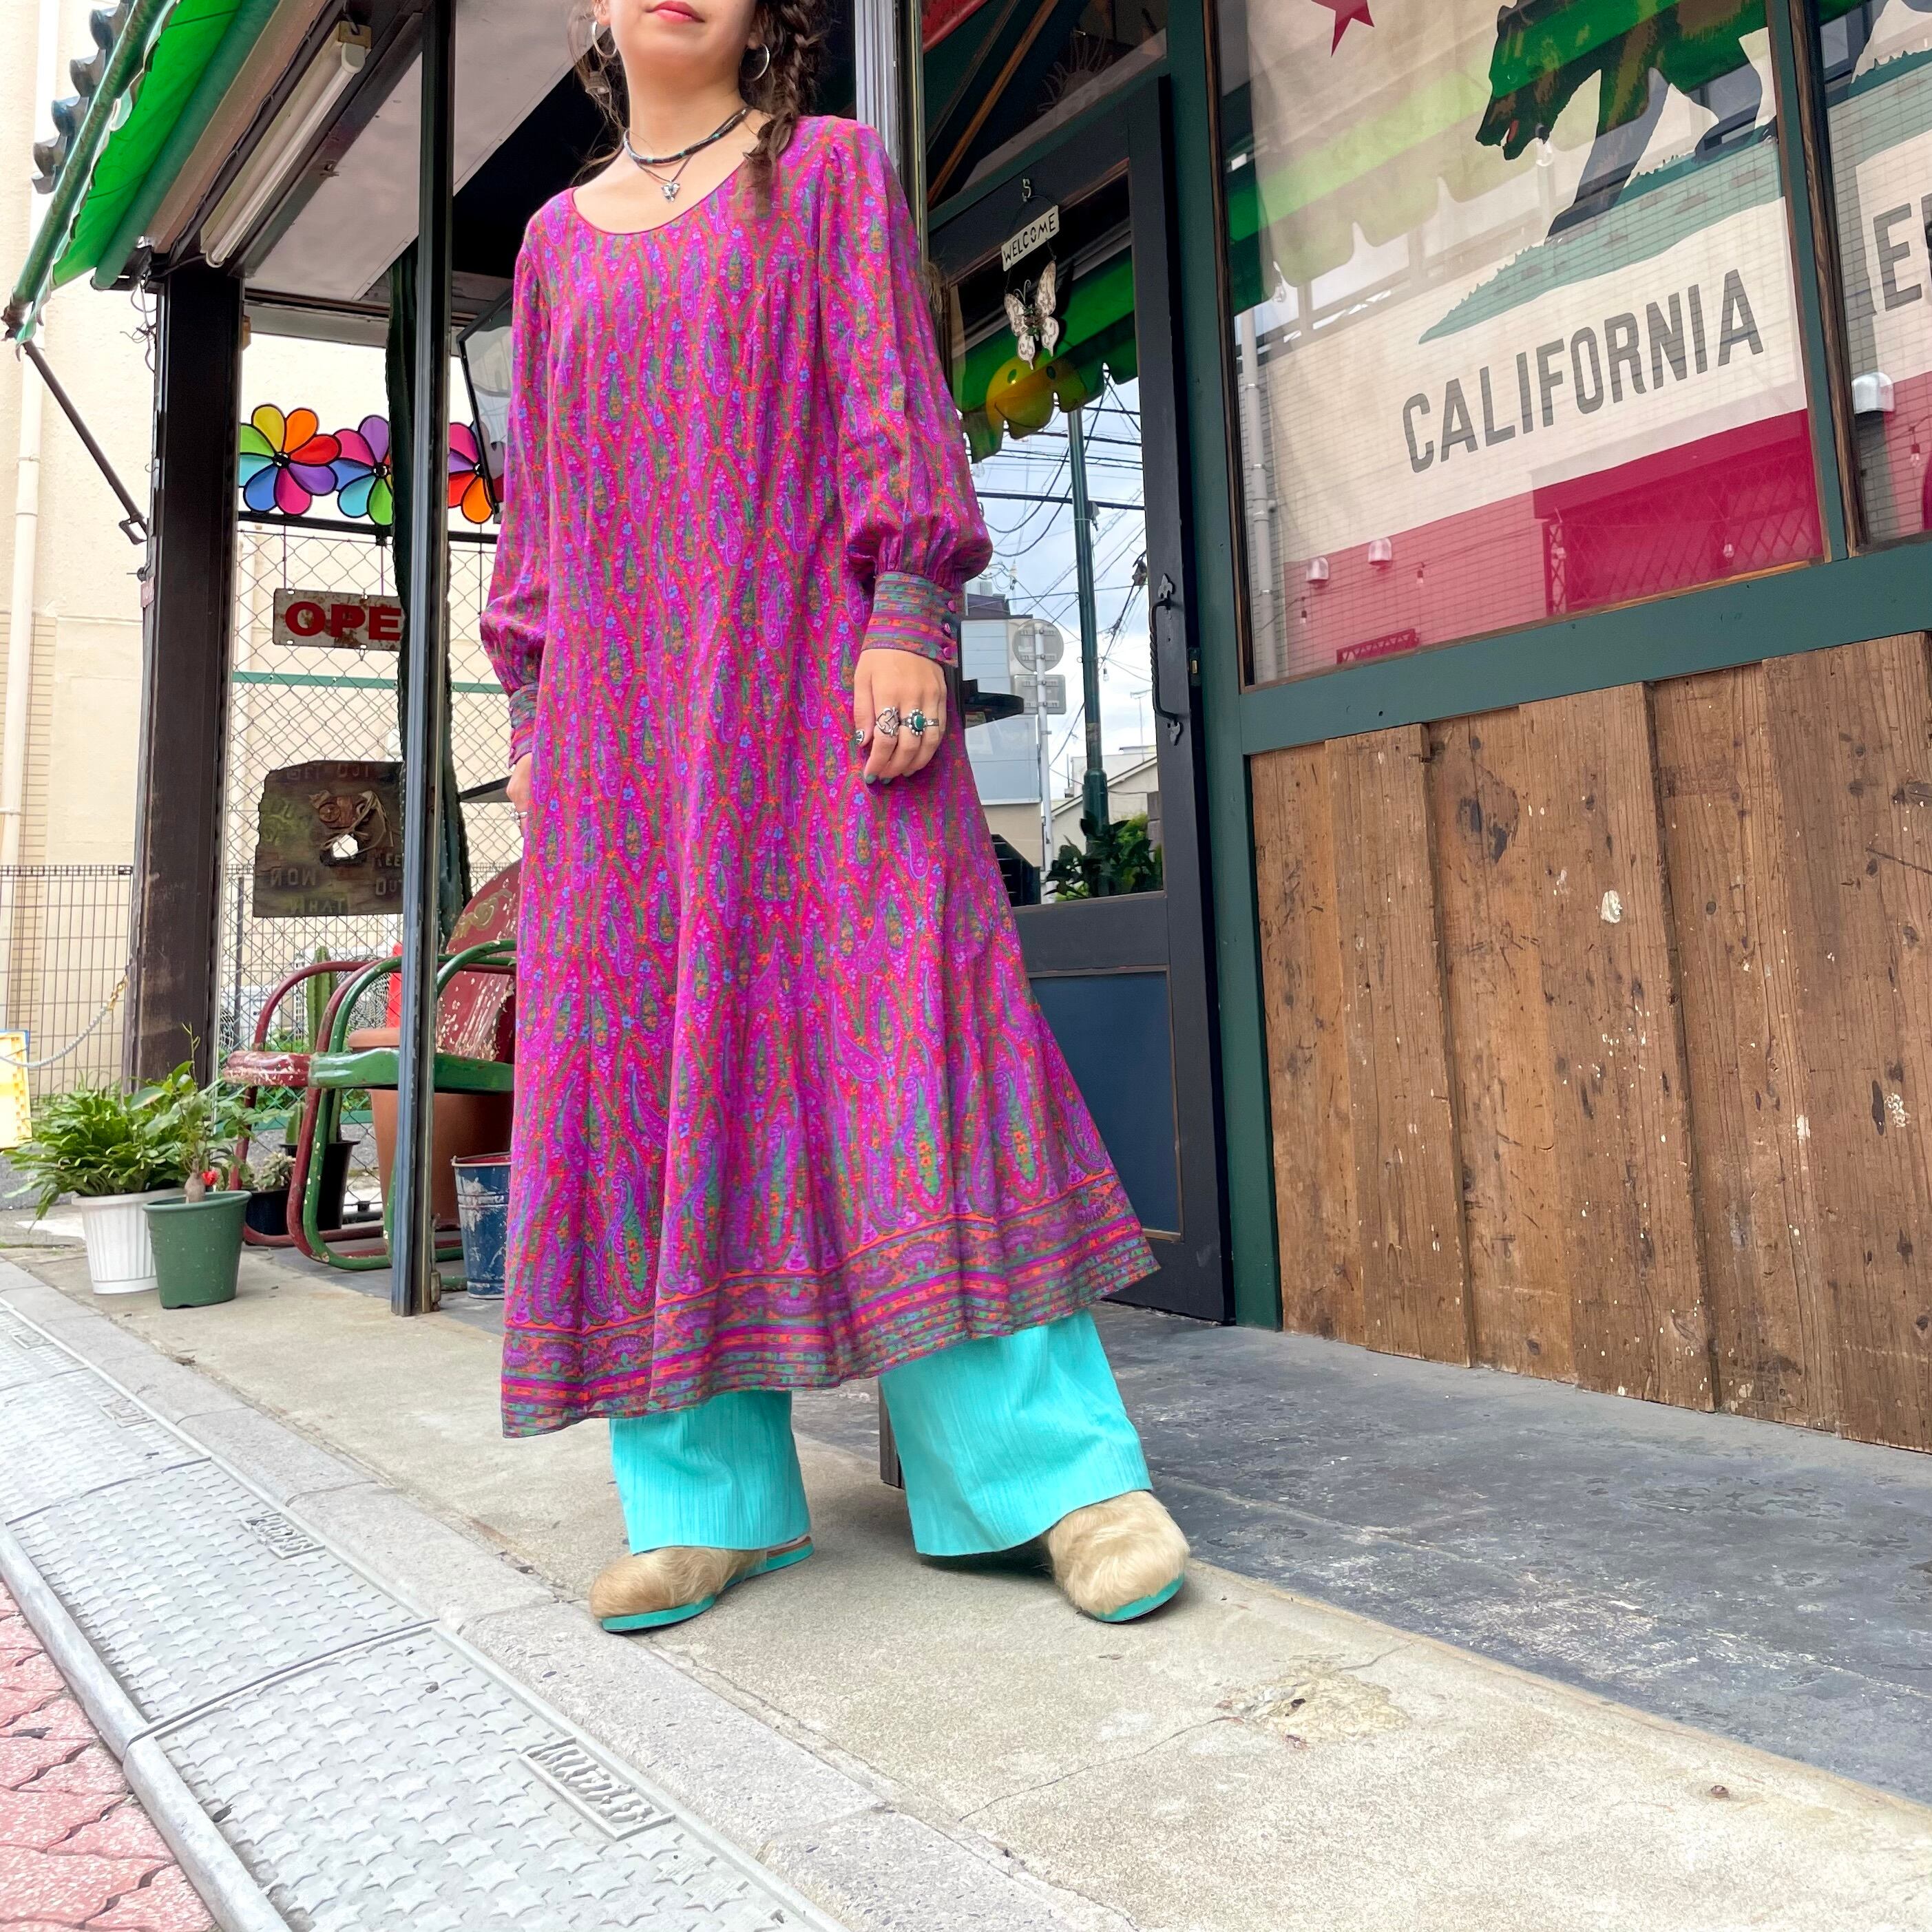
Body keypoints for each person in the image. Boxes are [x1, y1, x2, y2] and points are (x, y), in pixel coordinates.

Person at [481, 0, 1188, 1631]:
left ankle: (1048, 1477)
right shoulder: (550, 247)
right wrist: (531, 706)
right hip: (620, 737)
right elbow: (544, 516)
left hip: (821, 690)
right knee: (652, 1068)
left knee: (909, 1037)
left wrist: (909, 613)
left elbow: (891, 406)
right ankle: (703, 1499)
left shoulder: (825, 173)